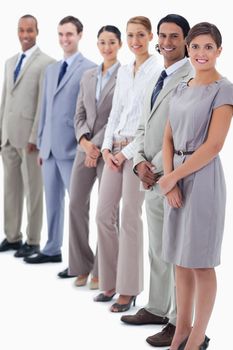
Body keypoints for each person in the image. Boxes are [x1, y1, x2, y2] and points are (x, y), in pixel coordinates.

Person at [158, 22, 233, 350]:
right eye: (196, 47)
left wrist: (174, 176)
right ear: (188, 50)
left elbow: (215, 145)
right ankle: (180, 332)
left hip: (203, 179)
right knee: (179, 259)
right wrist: (169, 178)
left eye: (208, 47)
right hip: (175, 176)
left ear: (219, 51)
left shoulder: (224, 88)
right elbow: (168, 138)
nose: (201, 53)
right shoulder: (180, 87)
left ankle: (197, 337)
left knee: (200, 261)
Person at [121, 14, 193, 347]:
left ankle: (180, 321)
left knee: (179, 253)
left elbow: (188, 134)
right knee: (158, 250)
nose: (165, 42)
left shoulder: (192, 76)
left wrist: (163, 172)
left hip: (174, 177)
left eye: (174, 36)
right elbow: (141, 127)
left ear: (186, 39)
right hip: (149, 176)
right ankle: (157, 307)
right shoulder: (158, 76)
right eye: (162, 36)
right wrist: (138, 164)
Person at [94, 16, 161, 312]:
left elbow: (149, 121)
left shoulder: (156, 71)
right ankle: (109, 280)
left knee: (131, 218)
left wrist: (126, 152)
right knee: (103, 214)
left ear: (150, 37)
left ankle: (129, 289)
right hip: (114, 148)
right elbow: (115, 112)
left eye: (140, 35)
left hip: (137, 152)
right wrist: (107, 147)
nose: (135, 41)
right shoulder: (123, 70)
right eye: (131, 35)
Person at [24, 16, 96, 264]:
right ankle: (52, 248)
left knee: (77, 208)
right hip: (49, 150)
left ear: (79, 35)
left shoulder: (90, 68)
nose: (65, 39)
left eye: (69, 34)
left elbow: (90, 112)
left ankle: (80, 261)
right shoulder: (51, 69)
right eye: (61, 35)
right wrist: (42, 144)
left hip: (72, 148)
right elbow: (44, 110)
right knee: (52, 203)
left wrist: (85, 143)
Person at [57, 25, 122, 288]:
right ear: (96, 45)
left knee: (106, 213)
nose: (106, 48)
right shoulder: (87, 76)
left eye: (112, 42)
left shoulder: (125, 76)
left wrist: (96, 146)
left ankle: (102, 270)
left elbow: (118, 116)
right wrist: (84, 142)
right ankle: (82, 264)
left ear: (119, 45)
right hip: (85, 149)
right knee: (75, 205)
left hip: (108, 150)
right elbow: (79, 114)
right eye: (102, 43)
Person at [0, 15, 54, 258]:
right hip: (8, 136)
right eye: (21, 30)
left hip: (30, 138)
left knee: (33, 190)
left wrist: (35, 136)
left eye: (29, 30)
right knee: (10, 189)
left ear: (37, 31)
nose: (25, 35)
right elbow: (5, 99)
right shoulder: (10, 62)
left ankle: (32, 241)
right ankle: (12, 237)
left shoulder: (47, 64)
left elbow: (43, 105)